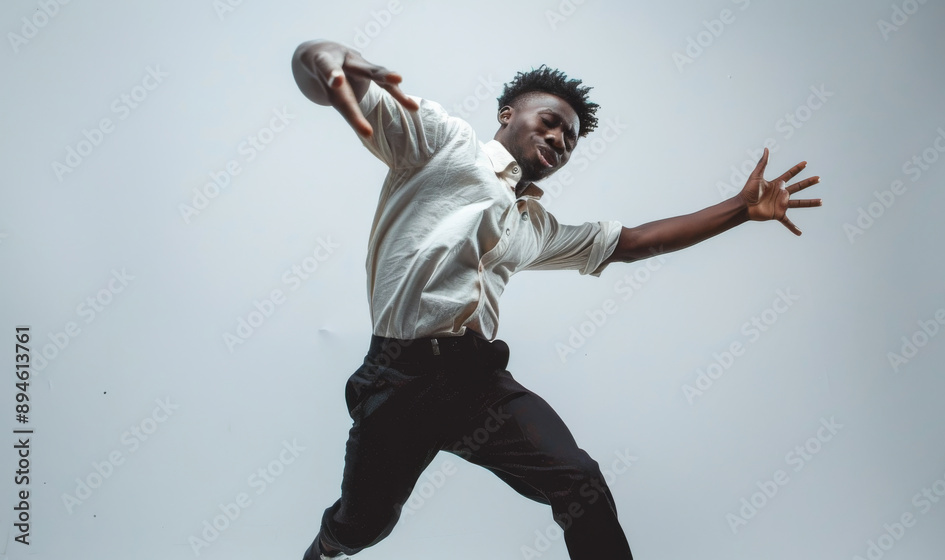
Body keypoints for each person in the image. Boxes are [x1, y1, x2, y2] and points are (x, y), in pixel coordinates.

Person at [291, 39, 821, 560]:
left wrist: (739, 208)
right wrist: (323, 57)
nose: (560, 139)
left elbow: (632, 243)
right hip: (398, 376)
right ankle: (330, 545)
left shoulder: (534, 226)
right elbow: (328, 76)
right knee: (363, 525)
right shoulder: (443, 145)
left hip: (476, 381)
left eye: (570, 138)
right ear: (507, 115)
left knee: (578, 479)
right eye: (550, 121)